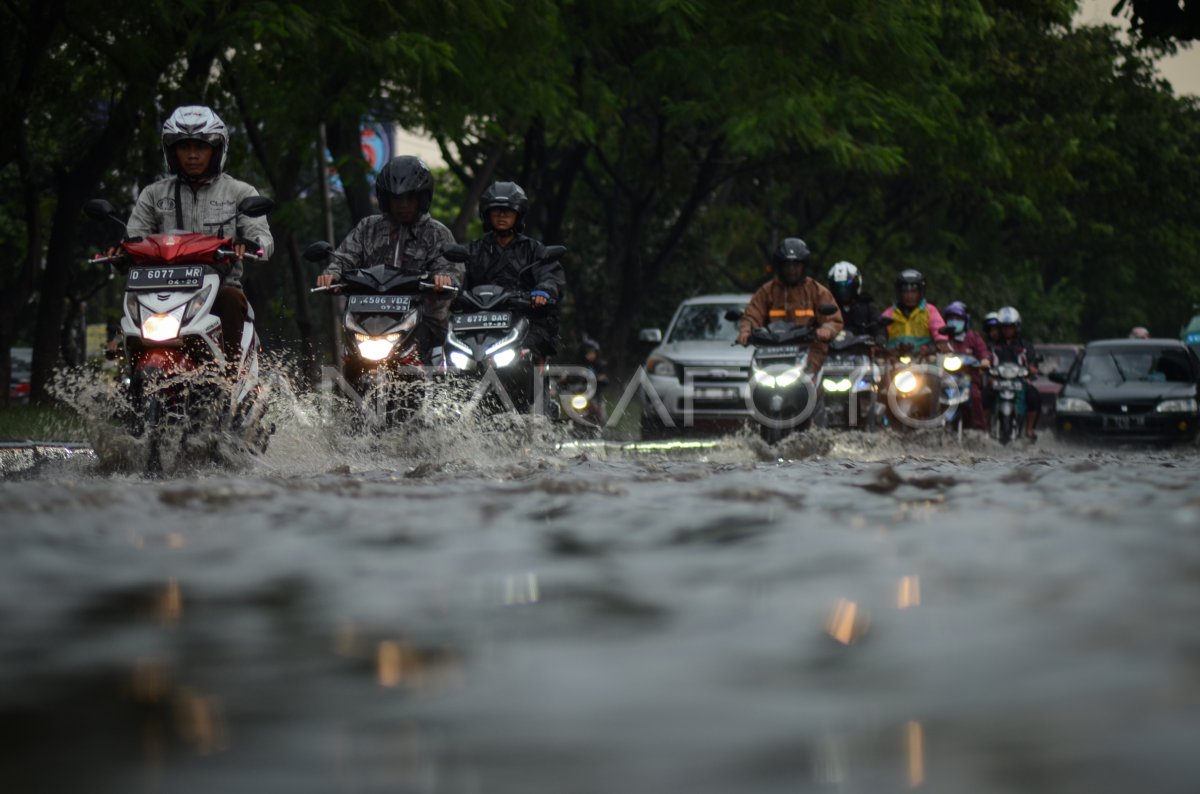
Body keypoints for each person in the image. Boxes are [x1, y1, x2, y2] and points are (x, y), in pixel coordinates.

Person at [125, 106, 274, 366]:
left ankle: (230, 377)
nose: (192, 155)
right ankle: (130, 383)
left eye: (201, 147)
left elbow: (263, 239)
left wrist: (251, 244)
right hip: (160, 292)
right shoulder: (153, 194)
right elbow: (134, 238)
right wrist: (120, 251)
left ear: (216, 150)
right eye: (184, 147)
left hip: (216, 292)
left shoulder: (240, 192)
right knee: (129, 307)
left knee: (232, 298)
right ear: (172, 151)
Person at [315, 155, 459, 362]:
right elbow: (345, 257)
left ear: (422, 198)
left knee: (433, 351)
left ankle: (432, 388)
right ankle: (342, 390)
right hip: (368, 317)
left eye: (410, 198)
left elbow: (451, 269)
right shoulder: (368, 227)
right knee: (347, 356)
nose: (403, 205)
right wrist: (331, 275)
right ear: (385, 199)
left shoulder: (436, 233)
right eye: (396, 199)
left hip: (421, 319)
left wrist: (444, 278)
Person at [461, 181, 566, 360]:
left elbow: (549, 274)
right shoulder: (474, 249)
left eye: (508, 211)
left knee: (528, 353)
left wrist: (544, 290)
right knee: (449, 349)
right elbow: (457, 275)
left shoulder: (534, 250)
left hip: (525, 320)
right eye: (496, 211)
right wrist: (446, 282)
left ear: (519, 215)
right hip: (479, 322)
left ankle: (534, 386)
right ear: (487, 214)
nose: (502, 216)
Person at [736, 238, 843, 370]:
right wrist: (745, 332)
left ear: (804, 266)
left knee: (817, 377)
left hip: (808, 352)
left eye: (796, 265)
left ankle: (813, 387)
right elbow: (752, 315)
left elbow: (833, 319)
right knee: (754, 377)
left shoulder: (816, 290)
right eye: (787, 265)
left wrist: (827, 329)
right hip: (770, 352)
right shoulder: (767, 291)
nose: (791, 270)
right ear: (780, 266)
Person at [990, 306, 1041, 440]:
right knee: (984, 395)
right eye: (1004, 327)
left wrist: (1032, 368)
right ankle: (985, 430)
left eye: (1010, 326)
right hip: (998, 381)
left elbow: (1033, 362)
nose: (1007, 330)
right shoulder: (992, 346)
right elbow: (985, 360)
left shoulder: (1025, 346)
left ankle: (1029, 430)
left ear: (1016, 327)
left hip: (1020, 382)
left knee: (1034, 396)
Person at [940, 301, 991, 430]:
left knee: (975, 395)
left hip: (967, 379)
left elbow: (983, 353)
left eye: (958, 318)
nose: (954, 321)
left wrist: (984, 360)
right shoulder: (941, 337)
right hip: (944, 379)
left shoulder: (973, 337)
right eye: (951, 318)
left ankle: (979, 429)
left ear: (965, 321)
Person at [880, 269, 947, 356]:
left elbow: (938, 328)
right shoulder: (889, 313)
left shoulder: (930, 311)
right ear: (899, 293)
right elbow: (879, 330)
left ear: (920, 292)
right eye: (905, 292)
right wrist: (879, 340)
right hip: (894, 360)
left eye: (913, 291)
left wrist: (941, 341)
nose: (909, 296)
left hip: (924, 360)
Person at [827, 261, 882, 339]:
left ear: (856, 284)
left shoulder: (867, 306)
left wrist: (880, 337)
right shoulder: (828, 308)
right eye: (838, 287)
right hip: (832, 349)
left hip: (862, 349)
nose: (843, 291)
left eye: (847, 285)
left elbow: (879, 327)